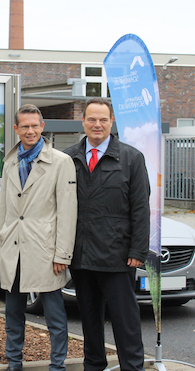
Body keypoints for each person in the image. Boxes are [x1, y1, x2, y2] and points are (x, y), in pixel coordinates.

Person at [64, 97, 150, 371]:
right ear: (83, 122)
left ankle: (132, 368)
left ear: (112, 121)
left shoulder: (131, 158)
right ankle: (93, 366)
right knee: (89, 321)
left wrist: (138, 251)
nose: (97, 124)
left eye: (103, 119)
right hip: (81, 256)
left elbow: (140, 209)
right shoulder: (68, 158)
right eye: (92, 119)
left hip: (118, 258)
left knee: (126, 322)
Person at [0, 104, 77, 371]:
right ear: (16, 129)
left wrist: (62, 254)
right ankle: (14, 363)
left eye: (35, 125)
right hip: (14, 248)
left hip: (45, 250)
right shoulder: (10, 162)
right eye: (24, 126)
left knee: (54, 314)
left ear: (42, 127)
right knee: (13, 314)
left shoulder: (61, 162)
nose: (30, 131)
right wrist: (1, 244)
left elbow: (67, 211)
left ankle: (57, 366)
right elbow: (6, 209)